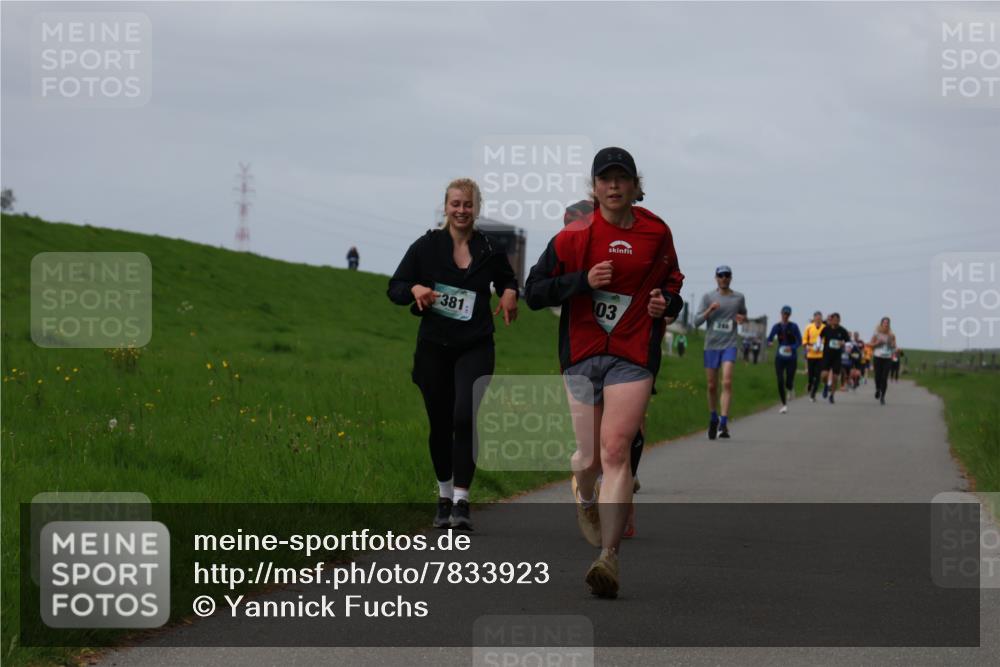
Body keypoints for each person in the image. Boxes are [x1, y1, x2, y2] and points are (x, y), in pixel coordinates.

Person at [525, 147, 684, 598]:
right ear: (594, 188)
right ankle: (584, 492)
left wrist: (667, 304)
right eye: (605, 179)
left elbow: (673, 283)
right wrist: (582, 281)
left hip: (633, 352)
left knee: (616, 450)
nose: (613, 186)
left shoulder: (656, 232)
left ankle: (609, 557)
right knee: (589, 458)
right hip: (582, 352)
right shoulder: (573, 237)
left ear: (635, 185)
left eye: (622, 178)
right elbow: (534, 291)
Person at [387, 178, 519, 531]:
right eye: (456, 204)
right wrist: (415, 288)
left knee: (464, 416)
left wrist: (509, 292)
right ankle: (444, 496)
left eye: (468, 204)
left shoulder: (489, 247)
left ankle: (462, 500)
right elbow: (395, 287)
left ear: (477, 208)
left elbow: (508, 280)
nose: (462, 210)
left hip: (476, 344)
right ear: (446, 206)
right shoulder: (427, 246)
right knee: (441, 422)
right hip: (434, 346)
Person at [694, 266, 747, 439]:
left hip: (729, 345)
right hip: (711, 345)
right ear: (716, 278)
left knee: (727, 381)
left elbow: (743, 315)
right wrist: (709, 310)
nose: (724, 278)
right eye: (720, 275)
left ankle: (723, 422)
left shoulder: (738, 298)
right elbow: (696, 322)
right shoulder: (708, 297)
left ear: (731, 278)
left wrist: (742, 319)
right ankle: (713, 417)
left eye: (727, 275)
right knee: (711, 385)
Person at [766, 305, 801, 414]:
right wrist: (769, 343)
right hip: (780, 357)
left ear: (790, 315)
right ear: (781, 313)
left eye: (787, 314)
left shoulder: (794, 326)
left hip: (791, 357)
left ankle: (790, 387)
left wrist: (792, 347)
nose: (785, 315)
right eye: (784, 313)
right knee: (780, 380)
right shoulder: (776, 327)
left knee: (788, 381)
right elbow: (769, 338)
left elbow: (799, 341)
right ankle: (784, 404)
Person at [815, 312, 850, 404]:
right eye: (834, 319)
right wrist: (818, 345)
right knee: (824, 375)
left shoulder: (842, 331)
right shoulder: (826, 329)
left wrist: (843, 344)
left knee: (835, 377)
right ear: (831, 320)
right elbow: (819, 337)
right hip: (826, 355)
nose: (836, 321)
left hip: (837, 357)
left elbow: (848, 342)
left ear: (839, 320)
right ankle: (826, 385)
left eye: (837, 320)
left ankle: (832, 396)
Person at [869, 317, 897, 405]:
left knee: (884, 378)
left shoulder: (891, 335)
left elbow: (894, 346)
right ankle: (878, 389)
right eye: (884, 322)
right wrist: (877, 343)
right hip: (878, 357)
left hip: (887, 358)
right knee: (877, 376)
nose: (886, 324)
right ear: (881, 324)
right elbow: (870, 345)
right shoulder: (876, 334)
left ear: (889, 324)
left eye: (887, 323)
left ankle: (882, 397)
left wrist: (892, 344)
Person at [802, 311, 826, 402]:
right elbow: (804, 339)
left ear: (822, 319)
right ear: (814, 318)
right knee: (811, 375)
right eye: (817, 318)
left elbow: (827, 339)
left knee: (818, 376)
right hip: (811, 354)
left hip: (821, 355)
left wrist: (823, 346)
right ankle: (809, 384)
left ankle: (813, 394)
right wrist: (806, 346)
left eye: (820, 318)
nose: (818, 319)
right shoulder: (809, 327)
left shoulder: (825, 328)